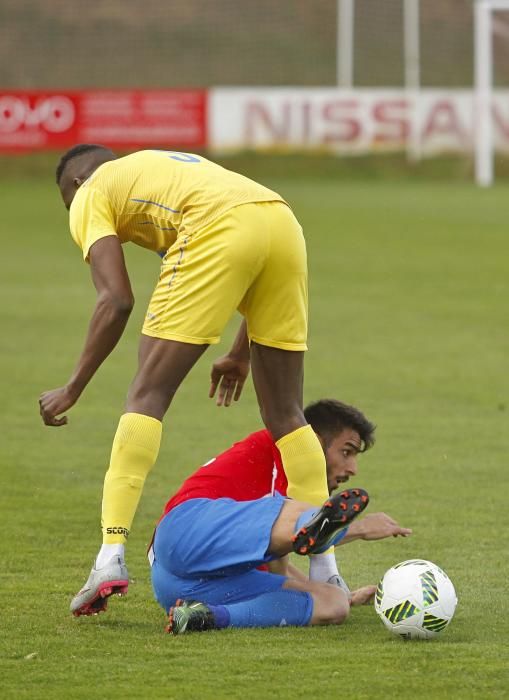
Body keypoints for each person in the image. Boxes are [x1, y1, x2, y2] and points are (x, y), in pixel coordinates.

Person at [39, 146, 345, 616]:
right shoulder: (155, 172)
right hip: (281, 219)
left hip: (218, 224)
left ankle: (110, 556)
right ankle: (327, 570)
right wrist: (240, 353)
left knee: (146, 395)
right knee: (286, 413)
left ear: (75, 187)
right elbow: (242, 257)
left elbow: (116, 299)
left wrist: (72, 387)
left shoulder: (90, 191)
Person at [149, 399, 412, 634]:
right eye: (346, 452)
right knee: (298, 510)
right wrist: (361, 529)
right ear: (314, 443)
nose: (353, 468)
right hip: (181, 533)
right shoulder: (286, 450)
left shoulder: (273, 517)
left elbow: (278, 564)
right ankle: (325, 524)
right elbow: (295, 532)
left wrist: (340, 594)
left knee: (333, 605)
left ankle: (207, 617)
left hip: (181, 588)